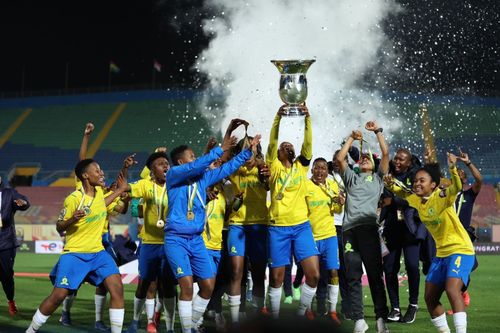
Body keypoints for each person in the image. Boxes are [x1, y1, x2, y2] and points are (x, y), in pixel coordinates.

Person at [165, 128, 261, 333]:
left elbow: (226, 169)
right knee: (187, 286)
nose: (197, 158)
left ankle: (191, 324)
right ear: (182, 163)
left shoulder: (203, 180)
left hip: (196, 240)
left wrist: (247, 152)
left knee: (208, 286)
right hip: (176, 240)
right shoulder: (173, 176)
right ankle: (187, 330)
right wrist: (219, 150)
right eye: (192, 156)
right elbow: (200, 164)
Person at [26, 159, 128, 333]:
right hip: (75, 254)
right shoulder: (74, 199)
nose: (101, 173)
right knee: (58, 296)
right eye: (97, 170)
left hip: (98, 254)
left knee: (117, 289)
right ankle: (31, 330)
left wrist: (121, 185)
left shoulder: (99, 193)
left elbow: (104, 204)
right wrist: (72, 218)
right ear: (85, 176)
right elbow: (59, 226)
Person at [385, 152, 475, 333]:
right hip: (441, 254)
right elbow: (404, 191)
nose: (417, 183)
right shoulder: (417, 201)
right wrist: (390, 184)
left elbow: (456, 186)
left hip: (461, 250)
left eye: (422, 181)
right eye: (416, 180)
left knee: (452, 289)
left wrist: (452, 168)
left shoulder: (441, 196)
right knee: (430, 298)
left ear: (433, 185)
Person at [265, 104, 320, 318]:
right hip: (278, 228)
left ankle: (300, 313)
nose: (287, 146)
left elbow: (308, 143)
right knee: (277, 278)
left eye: (289, 145)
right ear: (278, 153)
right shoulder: (275, 166)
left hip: (301, 227)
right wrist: (278, 118)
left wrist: (307, 118)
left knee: (314, 275)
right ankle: (275, 317)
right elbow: (272, 142)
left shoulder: (301, 166)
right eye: (283, 146)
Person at [336, 121, 390, 333]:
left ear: (374, 167)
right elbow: (341, 158)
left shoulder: (377, 179)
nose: (365, 159)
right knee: (353, 275)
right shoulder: (351, 177)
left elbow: (385, 154)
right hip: (349, 231)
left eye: (369, 158)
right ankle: (359, 319)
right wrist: (351, 137)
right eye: (363, 158)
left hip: (368, 230)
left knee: (376, 276)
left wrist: (376, 132)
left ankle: (380, 318)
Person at [124, 150, 177, 333]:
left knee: (168, 286)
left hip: (171, 243)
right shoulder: (145, 185)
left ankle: (168, 327)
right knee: (145, 283)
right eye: (160, 164)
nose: (166, 166)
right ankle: (137, 321)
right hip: (149, 242)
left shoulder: (175, 185)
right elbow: (132, 202)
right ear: (152, 171)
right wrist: (125, 168)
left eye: (166, 163)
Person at [225, 120, 270, 324]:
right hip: (237, 225)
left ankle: (258, 311)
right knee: (236, 271)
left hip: (259, 224)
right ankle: (236, 316)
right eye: (245, 149)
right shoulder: (234, 170)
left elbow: (269, 184)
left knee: (259, 271)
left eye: (252, 149)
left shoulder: (263, 170)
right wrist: (229, 130)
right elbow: (224, 156)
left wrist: (259, 160)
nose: (248, 153)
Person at [380, 148, 423, 323]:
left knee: (413, 266)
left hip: (410, 228)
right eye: (396, 159)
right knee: (389, 269)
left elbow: (415, 197)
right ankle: (395, 308)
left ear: (409, 162)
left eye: (401, 160)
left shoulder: (415, 176)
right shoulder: (388, 174)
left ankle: (413, 305)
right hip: (392, 227)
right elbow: (384, 199)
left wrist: (394, 199)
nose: (397, 162)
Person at [305, 157, 344, 323]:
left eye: (323, 168)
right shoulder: (306, 185)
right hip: (310, 236)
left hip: (329, 235)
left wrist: (340, 203)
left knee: (333, 271)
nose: (320, 171)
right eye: (317, 168)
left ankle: (333, 310)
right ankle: (307, 309)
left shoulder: (332, 185)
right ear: (312, 169)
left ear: (327, 172)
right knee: (312, 275)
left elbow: (335, 209)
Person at [454, 150, 482, 306]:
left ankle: (462, 293)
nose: (457, 176)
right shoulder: (445, 196)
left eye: (461, 175)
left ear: (464, 180)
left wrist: (468, 163)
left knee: (465, 268)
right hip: (448, 238)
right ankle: (461, 293)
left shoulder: (469, 195)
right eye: (454, 174)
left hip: (463, 238)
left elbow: (479, 180)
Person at [0, 176, 30, 316]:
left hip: (5, 241)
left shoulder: (9, 193)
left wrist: (22, 203)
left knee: (6, 275)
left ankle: (10, 301)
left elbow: (24, 202)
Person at [329, 150, 350, 319]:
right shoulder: (326, 177)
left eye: (341, 159)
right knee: (331, 267)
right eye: (335, 160)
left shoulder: (352, 178)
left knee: (346, 268)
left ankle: (347, 306)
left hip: (347, 227)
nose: (338, 162)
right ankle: (324, 304)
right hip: (330, 226)